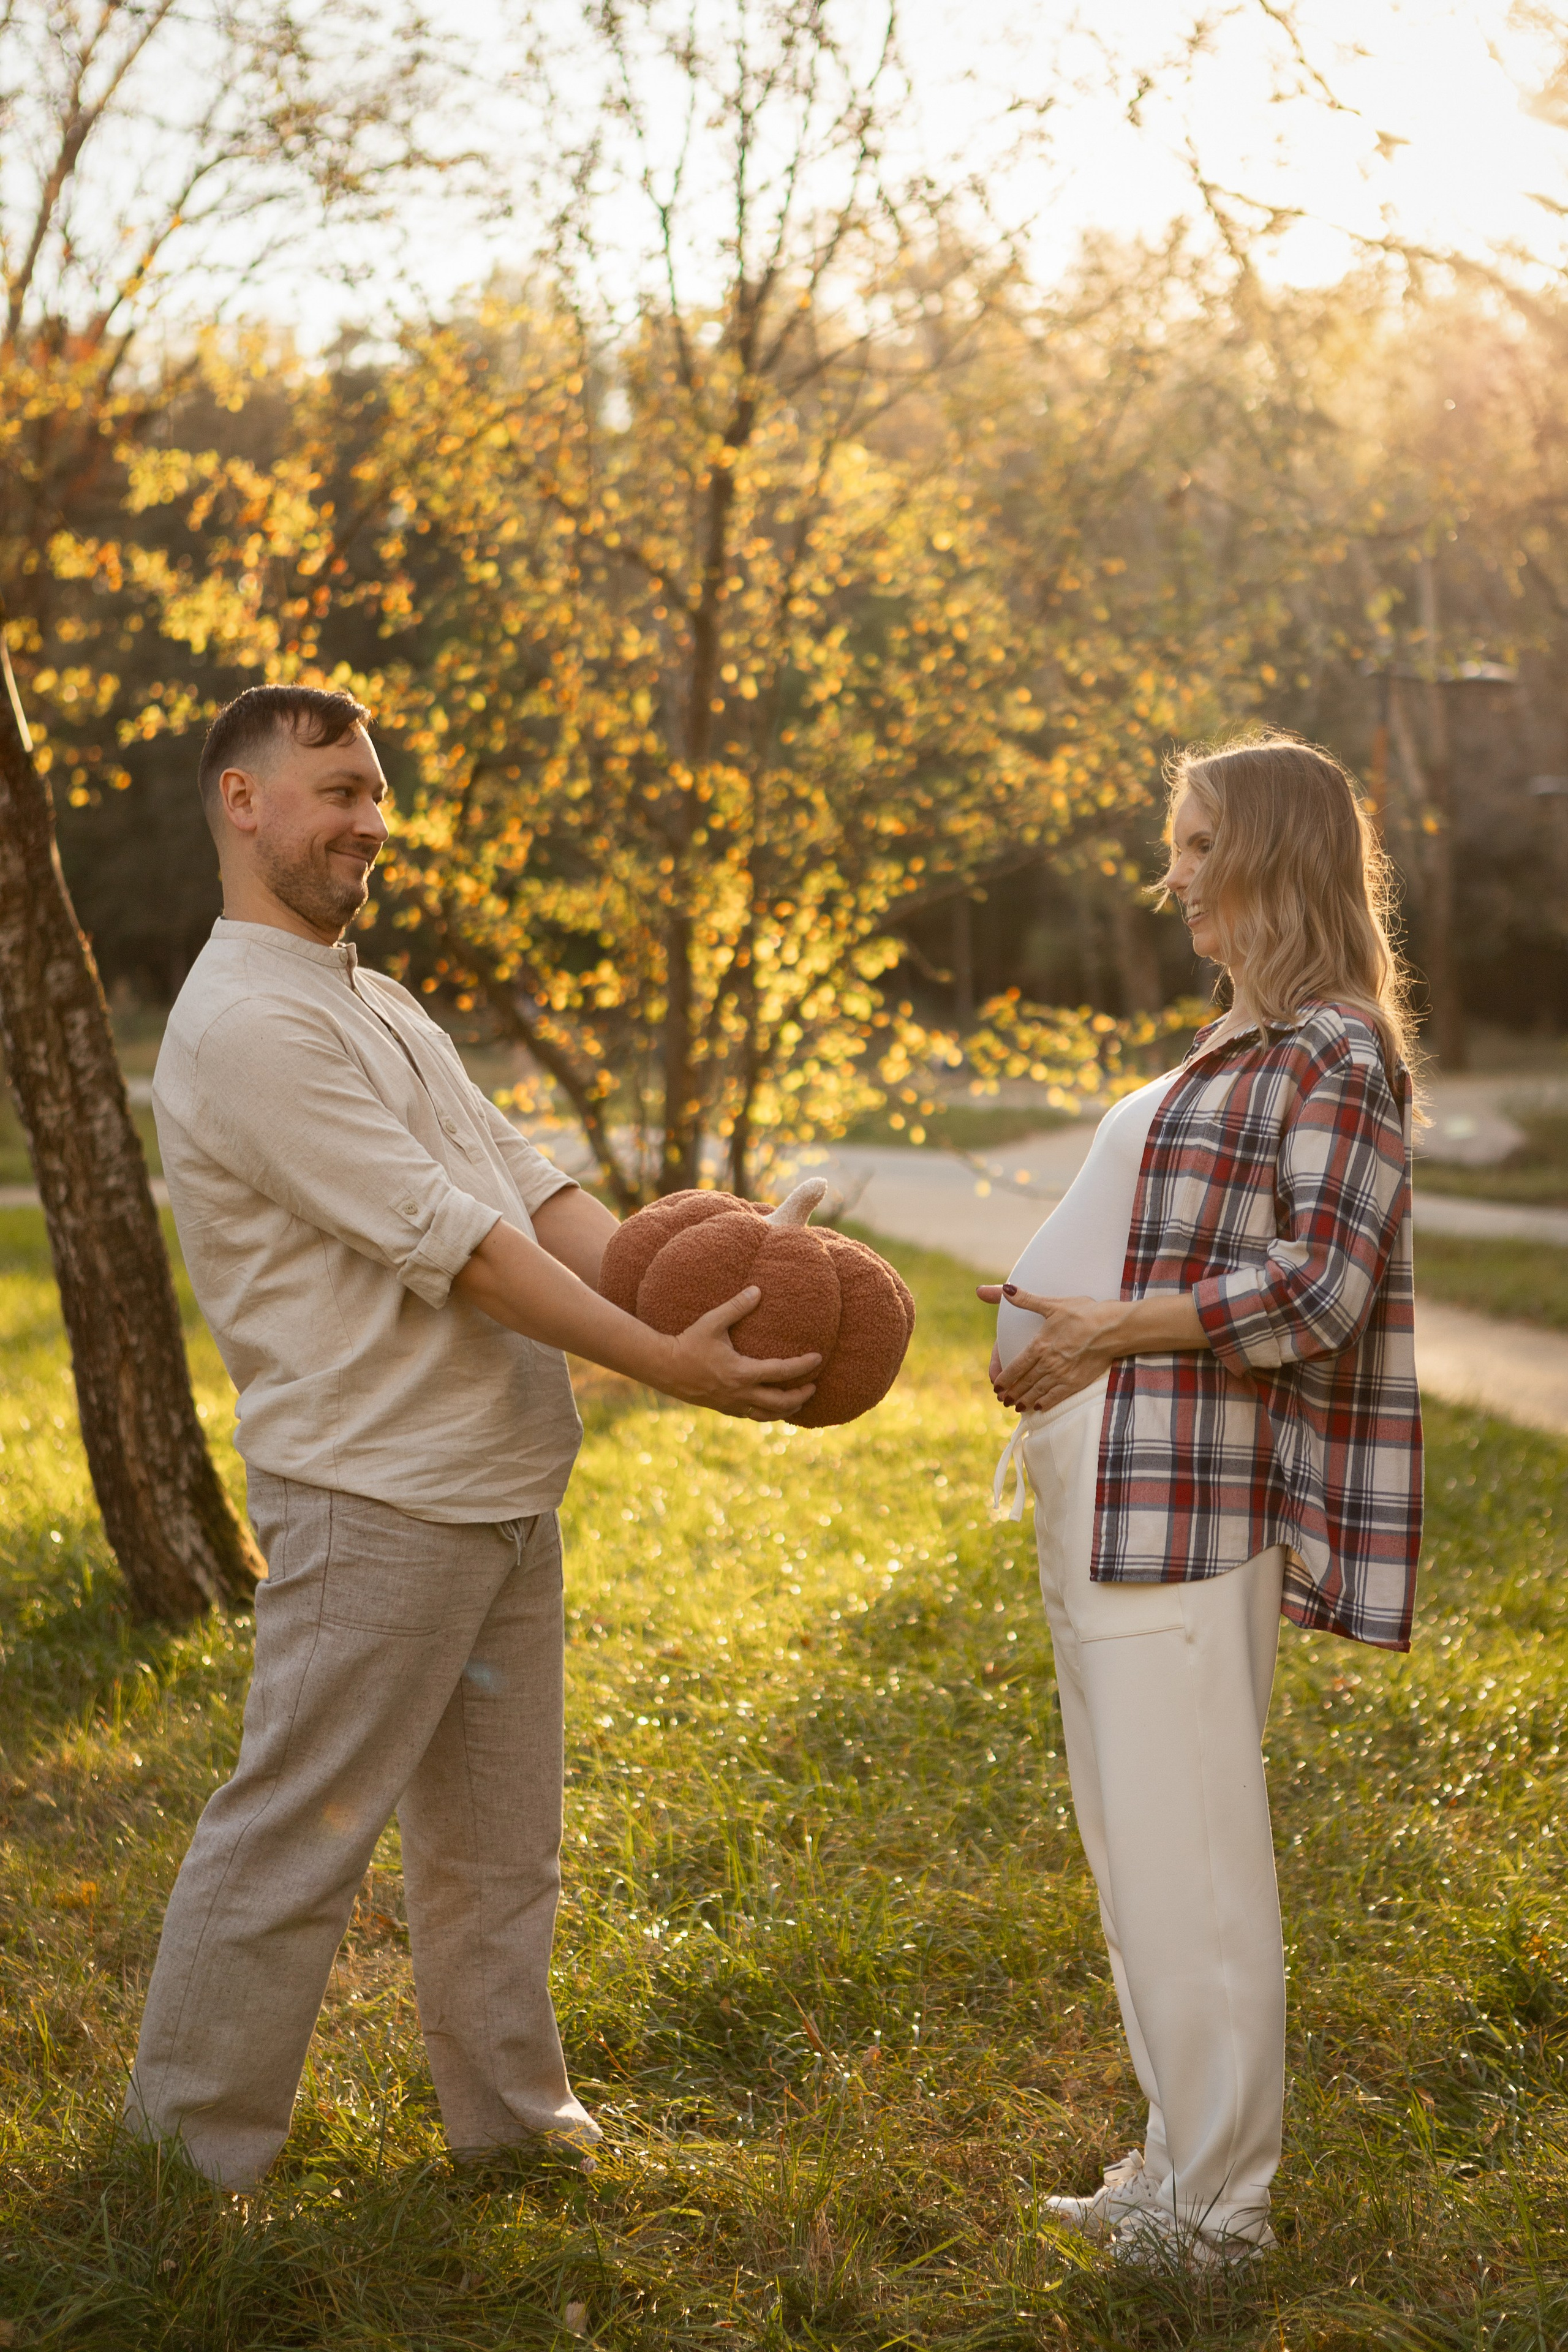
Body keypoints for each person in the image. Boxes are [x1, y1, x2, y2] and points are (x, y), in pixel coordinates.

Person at [125, 684, 821, 2191]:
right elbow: (466, 1250)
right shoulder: (247, 1022)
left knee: (500, 1855)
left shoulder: (372, 999)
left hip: (500, 1488)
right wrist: (663, 1367)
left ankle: (510, 2128)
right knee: (290, 1849)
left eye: (377, 790)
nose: (371, 821)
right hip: (372, 1499)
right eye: (335, 791)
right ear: (242, 804)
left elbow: (536, 1196)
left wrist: (727, 1261)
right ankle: (181, 2165)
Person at [979, 734, 1422, 2269]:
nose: (1166, 872)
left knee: (1195, 1863)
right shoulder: (1232, 1046)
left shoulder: (1336, 1053)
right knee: (1131, 1850)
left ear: (1268, 855)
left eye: (1189, 842)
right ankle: (1168, 2161)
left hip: (1185, 1499)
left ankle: (1218, 2213)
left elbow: (1320, 1286)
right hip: (1098, 1494)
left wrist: (1101, 1326)